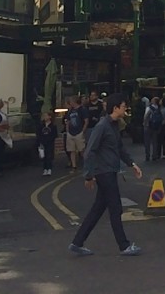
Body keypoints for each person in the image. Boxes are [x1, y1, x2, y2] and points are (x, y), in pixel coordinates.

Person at [68, 93, 143, 257]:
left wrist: (132, 164)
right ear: (115, 108)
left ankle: (77, 242)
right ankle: (124, 245)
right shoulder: (102, 126)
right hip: (104, 173)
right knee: (115, 207)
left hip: (109, 170)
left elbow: (120, 148)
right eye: (123, 106)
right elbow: (90, 151)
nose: (125, 109)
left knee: (98, 209)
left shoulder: (115, 125)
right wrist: (88, 175)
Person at [65, 96, 87, 171]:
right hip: (71, 132)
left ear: (74, 101)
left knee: (82, 150)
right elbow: (68, 121)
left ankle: (86, 164)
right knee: (72, 150)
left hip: (79, 132)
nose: (70, 103)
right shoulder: (70, 110)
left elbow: (86, 121)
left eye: (71, 101)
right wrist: (67, 130)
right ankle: (74, 166)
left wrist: (82, 131)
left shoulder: (82, 110)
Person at [37, 112, 58, 176]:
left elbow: (54, 135)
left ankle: (49, 169)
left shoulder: (53, 126)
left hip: (50, 143)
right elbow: (39, 134)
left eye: (46, 116)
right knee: (44, 156)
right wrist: (40, 141)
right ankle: (45, 169)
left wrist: (50, 139)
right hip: (43, 142)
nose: (45, 117)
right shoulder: (41, 126)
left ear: (50, 117)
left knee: (49, 155)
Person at [143, 96, 162, 161]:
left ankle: (147, 155)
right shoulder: (159, 108)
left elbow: (145, 117)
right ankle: (154, 155)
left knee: (147, 142)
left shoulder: (149, 108)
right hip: (155, 127)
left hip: (148, 126)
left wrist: (145, 124)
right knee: (154, 142)